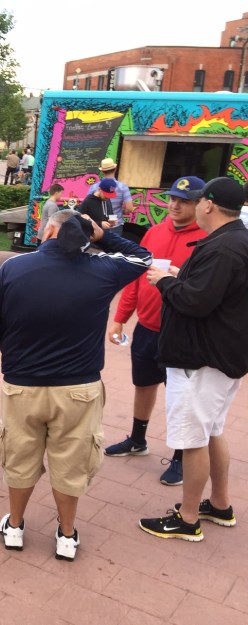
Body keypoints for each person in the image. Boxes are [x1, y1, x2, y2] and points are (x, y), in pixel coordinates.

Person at [0, 209, 151, 561]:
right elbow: (142, 257)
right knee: (71, 463)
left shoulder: (14, 268)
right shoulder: (102, 269)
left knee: (20, 458)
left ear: (49, 230)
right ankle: (66, 534)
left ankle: (15, 525)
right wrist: (102, 235)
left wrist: (8, 344)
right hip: (78, 389)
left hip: (22, 385)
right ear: (85, 236)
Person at [139, 177, 248, 542]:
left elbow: (196, 302)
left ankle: (187, 520)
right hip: (220, 357)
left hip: (201, 360)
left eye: (198, 200)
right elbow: (212, 291)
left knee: (193, 439)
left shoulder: (224, 247)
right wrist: (178, 274)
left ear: (208, 205)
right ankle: (219, 504)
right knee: (211, 430)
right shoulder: (235, 239)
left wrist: (164, 282)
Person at [104, 177, 206, 486]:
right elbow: (136, 280)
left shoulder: (206, 239)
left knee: (181, 397)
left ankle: (181, 456)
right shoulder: (154, 232)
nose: (175, 205)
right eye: (173, 198)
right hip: (147, 328)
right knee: (144, 384)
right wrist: (120, 318)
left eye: (184, 201)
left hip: (182, 333)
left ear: (201, 204)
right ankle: (138, 440)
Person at [88, 158, 134, 231]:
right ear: (115, 169)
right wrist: (120, 212)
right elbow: (129, 208)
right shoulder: (123, 187)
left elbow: (89, 206)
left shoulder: (94, 187)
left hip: (98, 225)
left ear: (102, 171)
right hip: (115, 225)